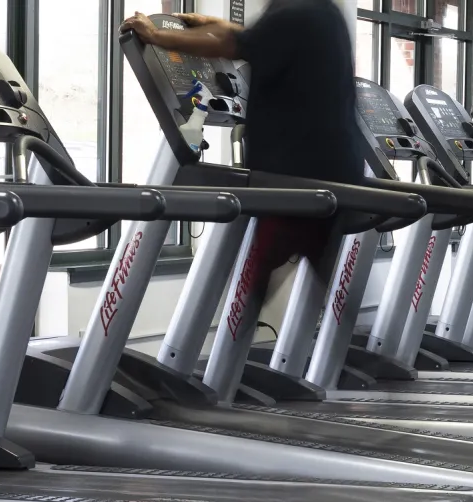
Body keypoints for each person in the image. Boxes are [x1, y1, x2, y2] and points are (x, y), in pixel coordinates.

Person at [121, 2, 364, 324]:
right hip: (333, 169)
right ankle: (335, 362)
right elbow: (251, 39)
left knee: (252, 284)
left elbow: (231, 44)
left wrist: (155, 36)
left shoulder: (295, 13)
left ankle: (225, 368)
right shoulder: (321, 11)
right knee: (320, 280)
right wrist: (208, 21)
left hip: (296, 178)